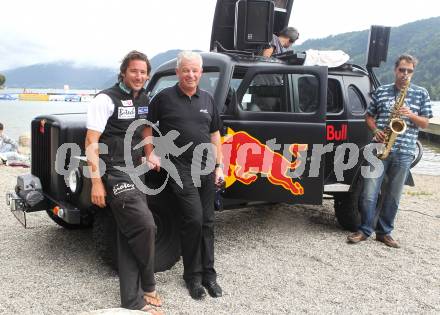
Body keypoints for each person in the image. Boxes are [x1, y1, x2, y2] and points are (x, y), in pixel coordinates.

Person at [85, 51, 163, 314]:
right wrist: (96, 182)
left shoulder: (145, 98)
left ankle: (132, 300)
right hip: (114, 172)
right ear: (123, 72)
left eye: (143, 72)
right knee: (145, 225)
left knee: (129, 230)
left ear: (148, 75)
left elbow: (146, 127)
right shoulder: (106, 99)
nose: (139, 76)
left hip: (137, 169)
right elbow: (90, 142)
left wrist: (150, 152)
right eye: (134, 71)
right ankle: (149, 285)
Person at [145, 51, 224, 300]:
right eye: (186, 70)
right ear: (177, 72)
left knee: (208, 222)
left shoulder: (208, 99)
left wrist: (219, 166)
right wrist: (151, 153)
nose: (191, 74)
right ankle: (192, 277)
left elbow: (214, 135)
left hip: (206, 168)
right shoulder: (163, 98)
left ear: (201, 73)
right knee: (193, 219)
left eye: (195, 71)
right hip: (179, 169)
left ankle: (209, 276)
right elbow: (147, 128)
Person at [347, 54, 433, 248]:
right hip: (379, 149)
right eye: (402, 70)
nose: (405, 74)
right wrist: (376, 130)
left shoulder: (421, 93)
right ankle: (364, 230)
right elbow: (369, 116)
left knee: (393, 195)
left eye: (409, 71)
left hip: (404, 151)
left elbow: (426, 123)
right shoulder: (382, 91)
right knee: (369, 193)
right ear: (395, 70)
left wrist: (410, 114)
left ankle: (384, 232)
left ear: (413, 72)